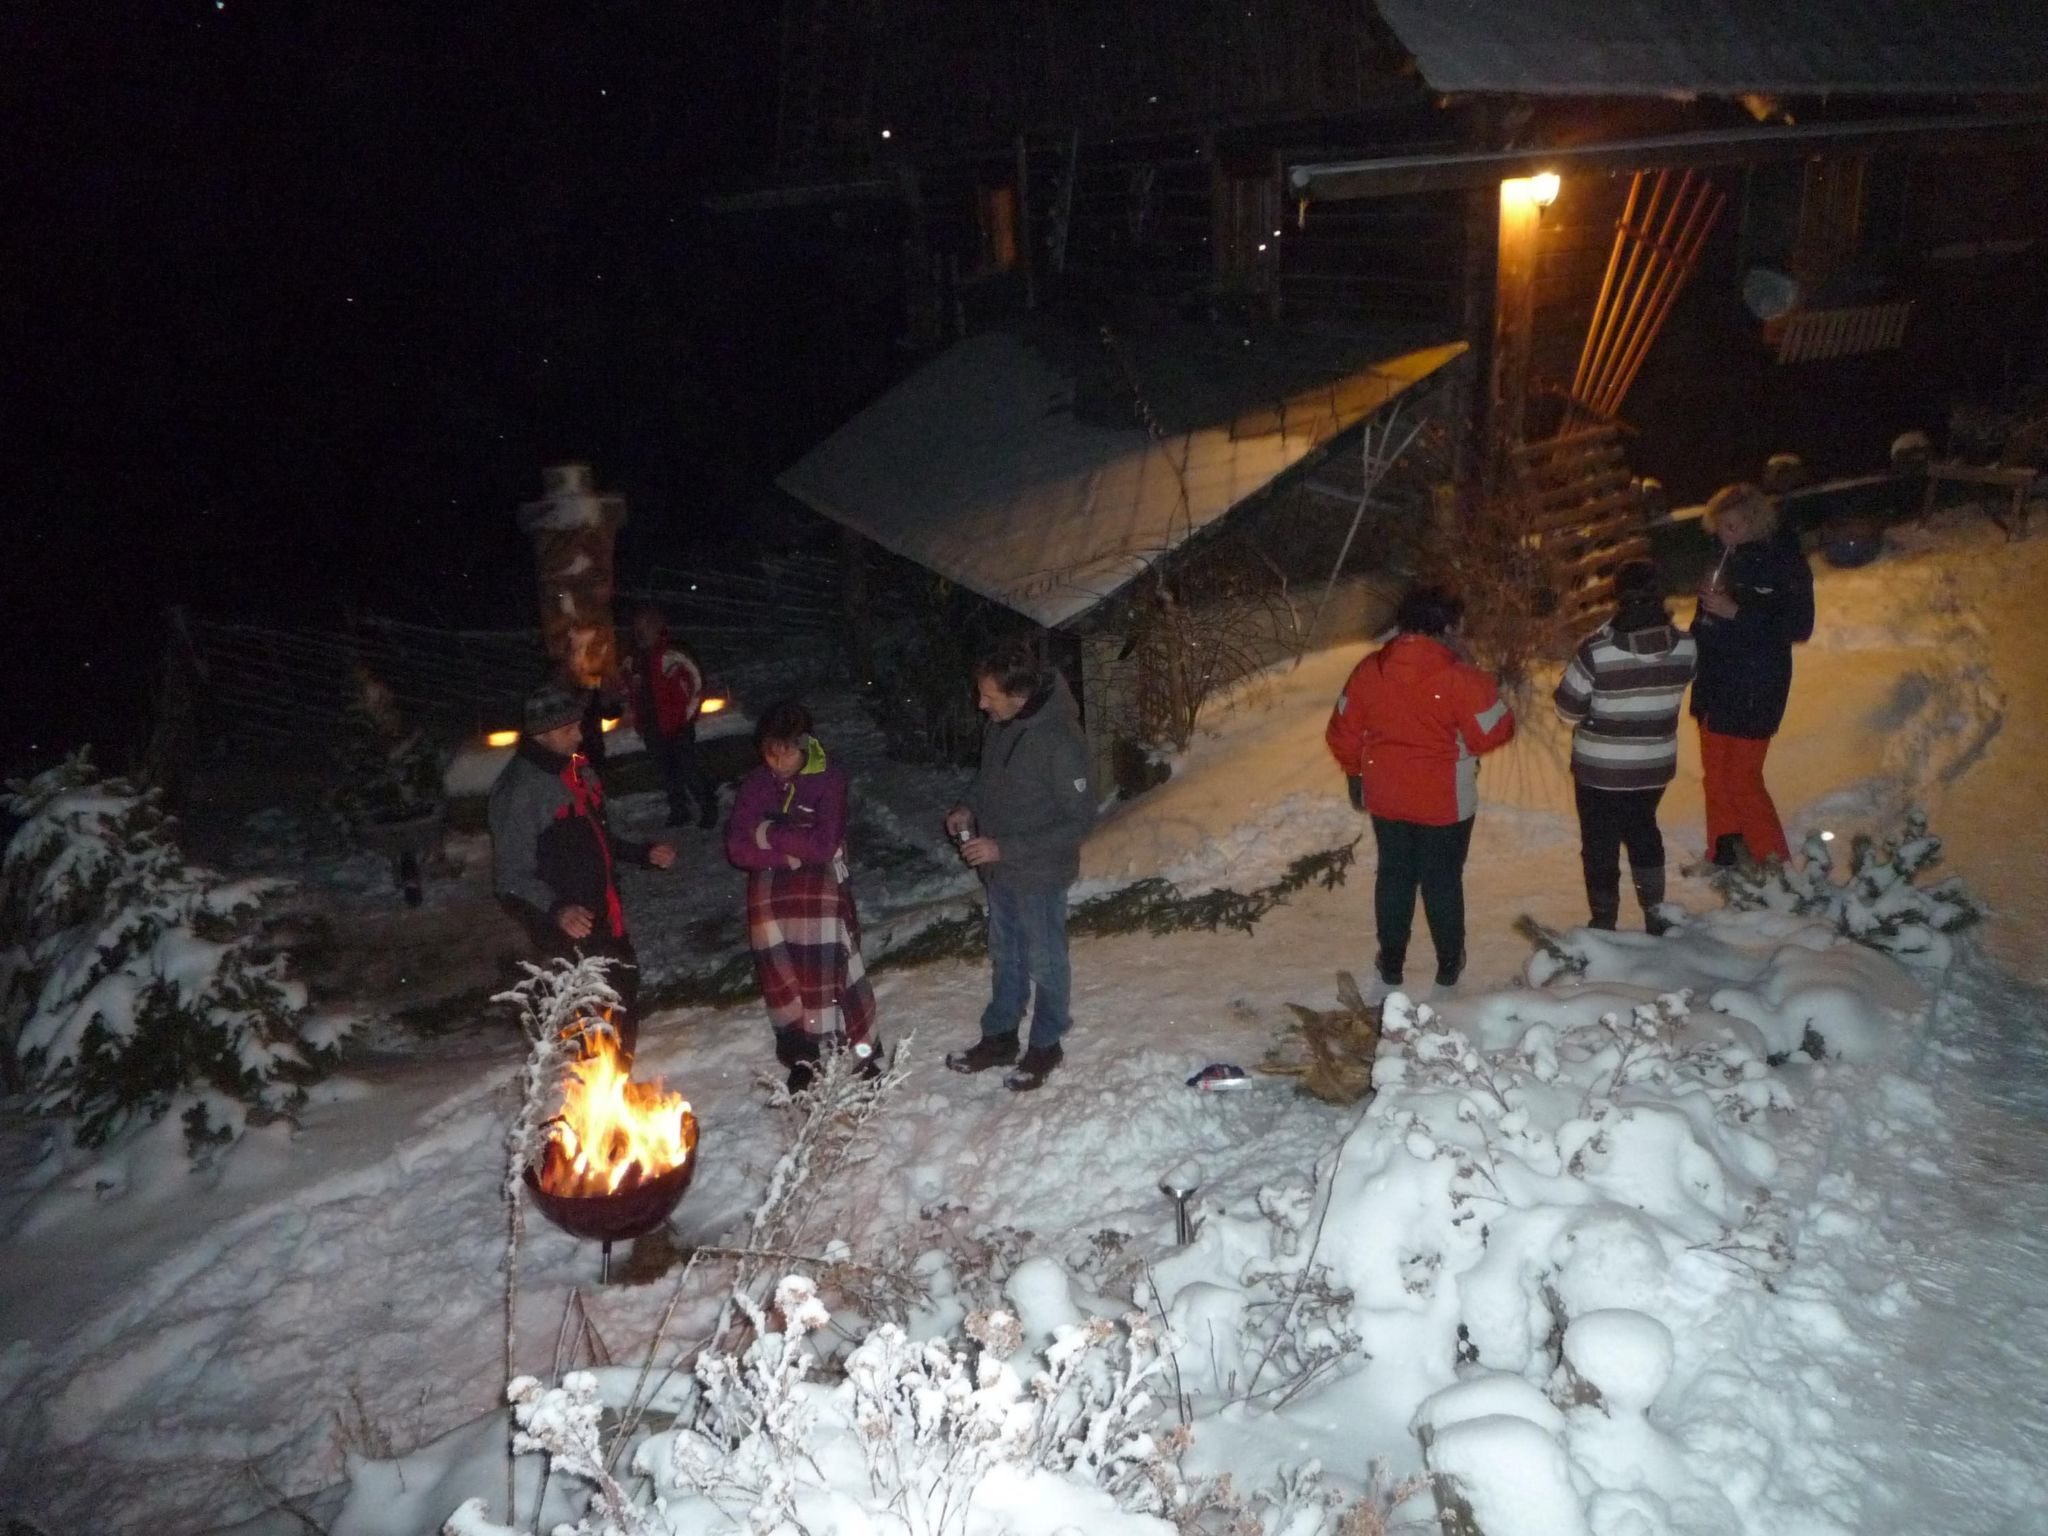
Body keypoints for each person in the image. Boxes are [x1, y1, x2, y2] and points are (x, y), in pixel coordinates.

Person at [1325, 584, 1515, 1003]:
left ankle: (1391, 962)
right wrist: (1478, 677)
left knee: (1394, 874)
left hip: (1387, 796)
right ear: (1447, 628)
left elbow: (1342, 731)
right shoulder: (1459, 677)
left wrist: (1356, 771)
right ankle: (1449, 965)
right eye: (1459, 626)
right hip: (1445, 800)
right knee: (1442, 879)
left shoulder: (1369, 670)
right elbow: (1496, 730)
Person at [489, 683, 676, 1055]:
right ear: (541, 735)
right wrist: (558, 909)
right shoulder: (520, 791)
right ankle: (582, 1100)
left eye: (578, 724)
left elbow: (597, 838)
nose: (579, 734)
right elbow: (510, 878)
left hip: (605, 918)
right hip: (565, 936)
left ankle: (615, 1094)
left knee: (621, 1003)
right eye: (567, 729)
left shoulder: (577, 771)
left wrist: (643, 853)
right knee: (586, 1021)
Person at [943, 637, 1095, 1091]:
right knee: (1005, 955)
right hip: (1002, 872)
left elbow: (1081, 821)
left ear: (1020, 696)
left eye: (989, 695)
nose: (980, 702)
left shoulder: (1060, 741)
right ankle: (1001, 1036)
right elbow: (988, 782)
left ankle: (1046, 1044)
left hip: (1039, 874)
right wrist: (966, 807)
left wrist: (1005, 847)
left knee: (1046, 961)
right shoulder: (1003, 724)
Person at [724, 701, 879, 1093]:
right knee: (782, 972)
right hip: (771, 894)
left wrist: (771, 834)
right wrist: (791, 851)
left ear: (805, 744)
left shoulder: (828, 778)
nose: (777, 763)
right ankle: (802, 1055)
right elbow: (738, 848)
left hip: (820, 891)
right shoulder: (757, 784)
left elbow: (825, 844)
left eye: (786, 752)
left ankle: (865, 1054)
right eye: (769, 753)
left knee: (835, 968)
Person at [1553, 560, 1698, 933]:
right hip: (1653, 766)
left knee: (1599, 843)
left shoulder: (1597, 651)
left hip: (1600, 769)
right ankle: (1655, 915)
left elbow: (1566, 710)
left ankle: (1604, 922)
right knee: (1643, 830)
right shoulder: (1686, 647)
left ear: (1617, 596)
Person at [1689, 483, 1815, 866]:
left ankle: (1774, 863)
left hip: (1755, 685)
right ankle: (1724, 854)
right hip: (1714, 681)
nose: (1723, 534)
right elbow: (1704, 619)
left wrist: (1737, 613)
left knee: (1743, 779)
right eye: (1719, 526)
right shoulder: (1723, 555)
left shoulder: (1784, 561)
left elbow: (1798, 625)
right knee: (1715, 775)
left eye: (1731, 526)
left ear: (1754, 523)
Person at [628, 608, 719, 829]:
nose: (640, 632)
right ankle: (679, 810)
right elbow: (631, 691)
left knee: (689, 769)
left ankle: (708, 806)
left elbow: (697, 683)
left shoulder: (674, 653)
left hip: (677, 724)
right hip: (652, 726)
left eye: (645, 626)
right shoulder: (634, 659)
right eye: (638, 627)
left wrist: (687, 717)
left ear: (658, 626)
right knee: (666, 773)